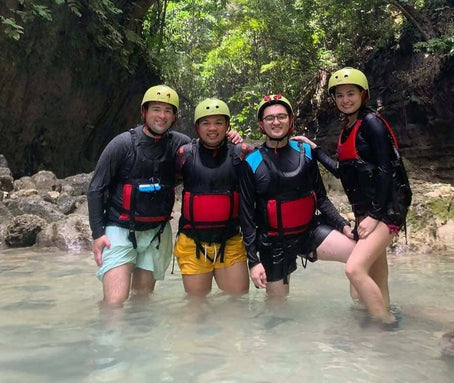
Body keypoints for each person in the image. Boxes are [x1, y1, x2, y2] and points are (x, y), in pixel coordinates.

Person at [296, 68, 402, 326]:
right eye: (340, 95)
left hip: (385, 211)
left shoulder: (372, 123)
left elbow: (388, 169)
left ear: (362, 95)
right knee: (377, 276)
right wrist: (316, 151)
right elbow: (344, 172)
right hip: (366, 212)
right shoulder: (349, 128)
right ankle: (380, 317)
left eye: (351, 94)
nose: (345, 99)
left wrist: (375, 215)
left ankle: (384, 324)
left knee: (354, 269)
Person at [239, 94, 356, 298]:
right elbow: (247, 217)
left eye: (282, 116)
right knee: (277, 309)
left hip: (310, 232)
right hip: (274, 243)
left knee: (359, 256)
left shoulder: (305, 152)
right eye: (270, 118)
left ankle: (364, 315)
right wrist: (253, 261)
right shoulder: (251, 162)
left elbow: (321, 197)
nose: (276, 122)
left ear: (290, 120)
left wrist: (343, 226)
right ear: (261, 124)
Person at [88, 85, 190, 307]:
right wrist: (97, 234)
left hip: (157, 232)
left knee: (142, 301)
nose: (161, 116)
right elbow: (96, 188)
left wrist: (234, 140)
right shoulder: (122, 144)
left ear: (174, 117)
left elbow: (211, 154)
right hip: (120, 230)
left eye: (167, 111)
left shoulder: (180, 144)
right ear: (144, 112)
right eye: (156, 109)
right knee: (114, 303)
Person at [173, 98, 254, 297]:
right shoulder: (184, 155)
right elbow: (165, 181)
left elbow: (269, 167)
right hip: (193, 242)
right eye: (206, 123)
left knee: (238, 303)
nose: (212, 128)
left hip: (231, 241)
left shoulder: (242, 153)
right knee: (196, 307)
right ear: (197, 128)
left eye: (218, 122)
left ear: (227, 126)